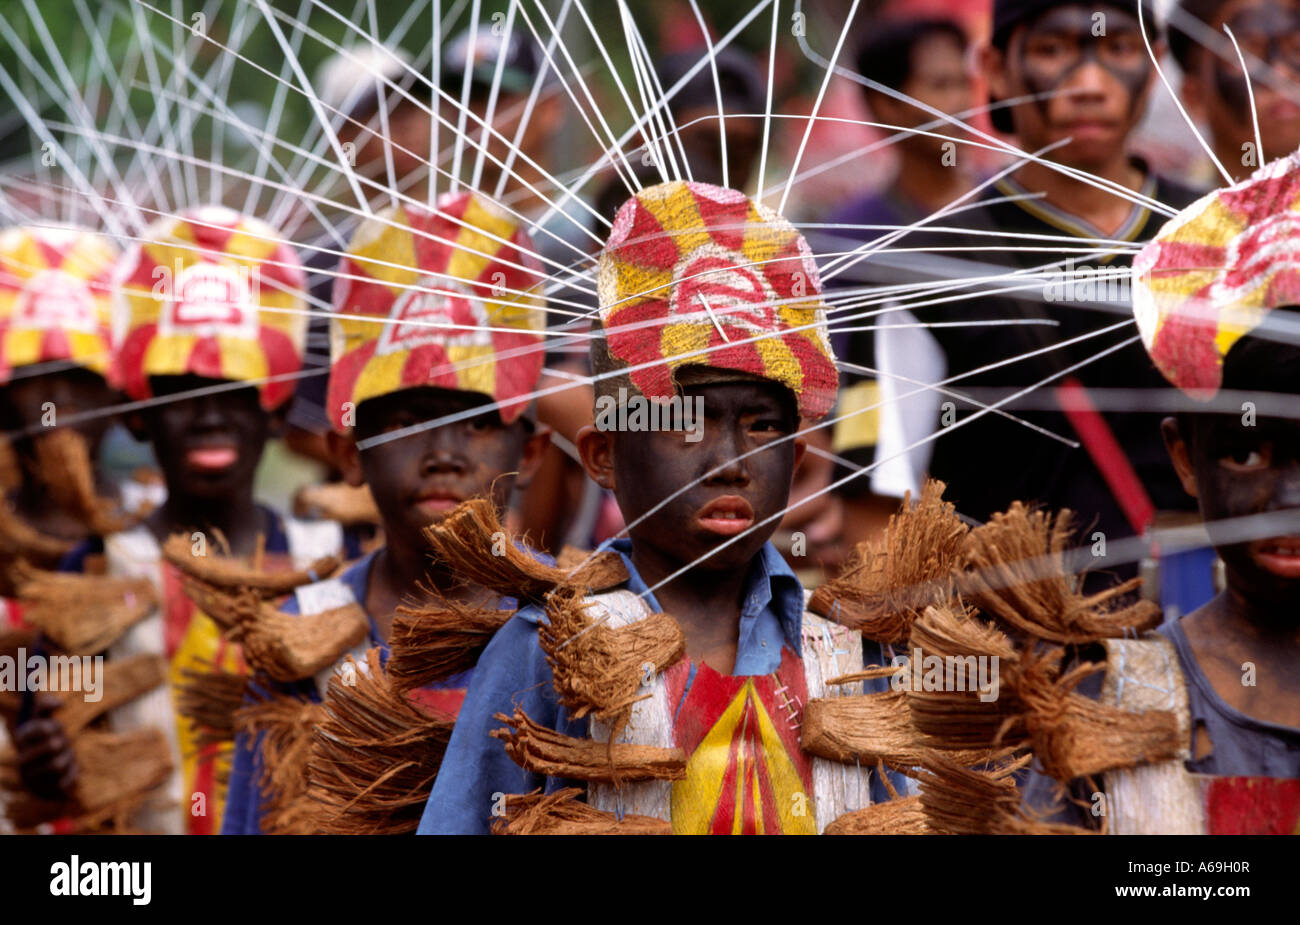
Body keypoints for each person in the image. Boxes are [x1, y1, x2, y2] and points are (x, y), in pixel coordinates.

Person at [419, 180, 905, 835]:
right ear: (603, 456)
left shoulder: (850, 654)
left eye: (763, 425)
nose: (730, 460)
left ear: (800, 458)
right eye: (686, 422)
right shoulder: (549, 650)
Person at [838, 0, 1201, 595]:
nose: (1088, 84)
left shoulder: (1220, 243)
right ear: (997, 68)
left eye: (1118, 51)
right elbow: (877, 507)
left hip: (1207, 645)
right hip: (1016, 653)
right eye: (1052, 51)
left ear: (1157, 63)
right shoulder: (926, 265)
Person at [220, 190, 550, 834]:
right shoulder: (300, 640)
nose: (444, 455)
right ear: (348, 453)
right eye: (406, 422)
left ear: (530, 451)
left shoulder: (576, 628)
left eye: (477, 423)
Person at [45, 206, 349, 834]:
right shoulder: (96, 569)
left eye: (236, 389)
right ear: (136, 414)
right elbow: (51, 735)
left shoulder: (333, 561)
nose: (209, 416)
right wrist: (52, 750)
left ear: (276, 409)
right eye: (181, 391)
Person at [1169, 0, 1300, 184]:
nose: (1280, 75)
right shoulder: (1175, 211)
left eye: (1297, 49)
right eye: (1245, 57)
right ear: (1195, 97)